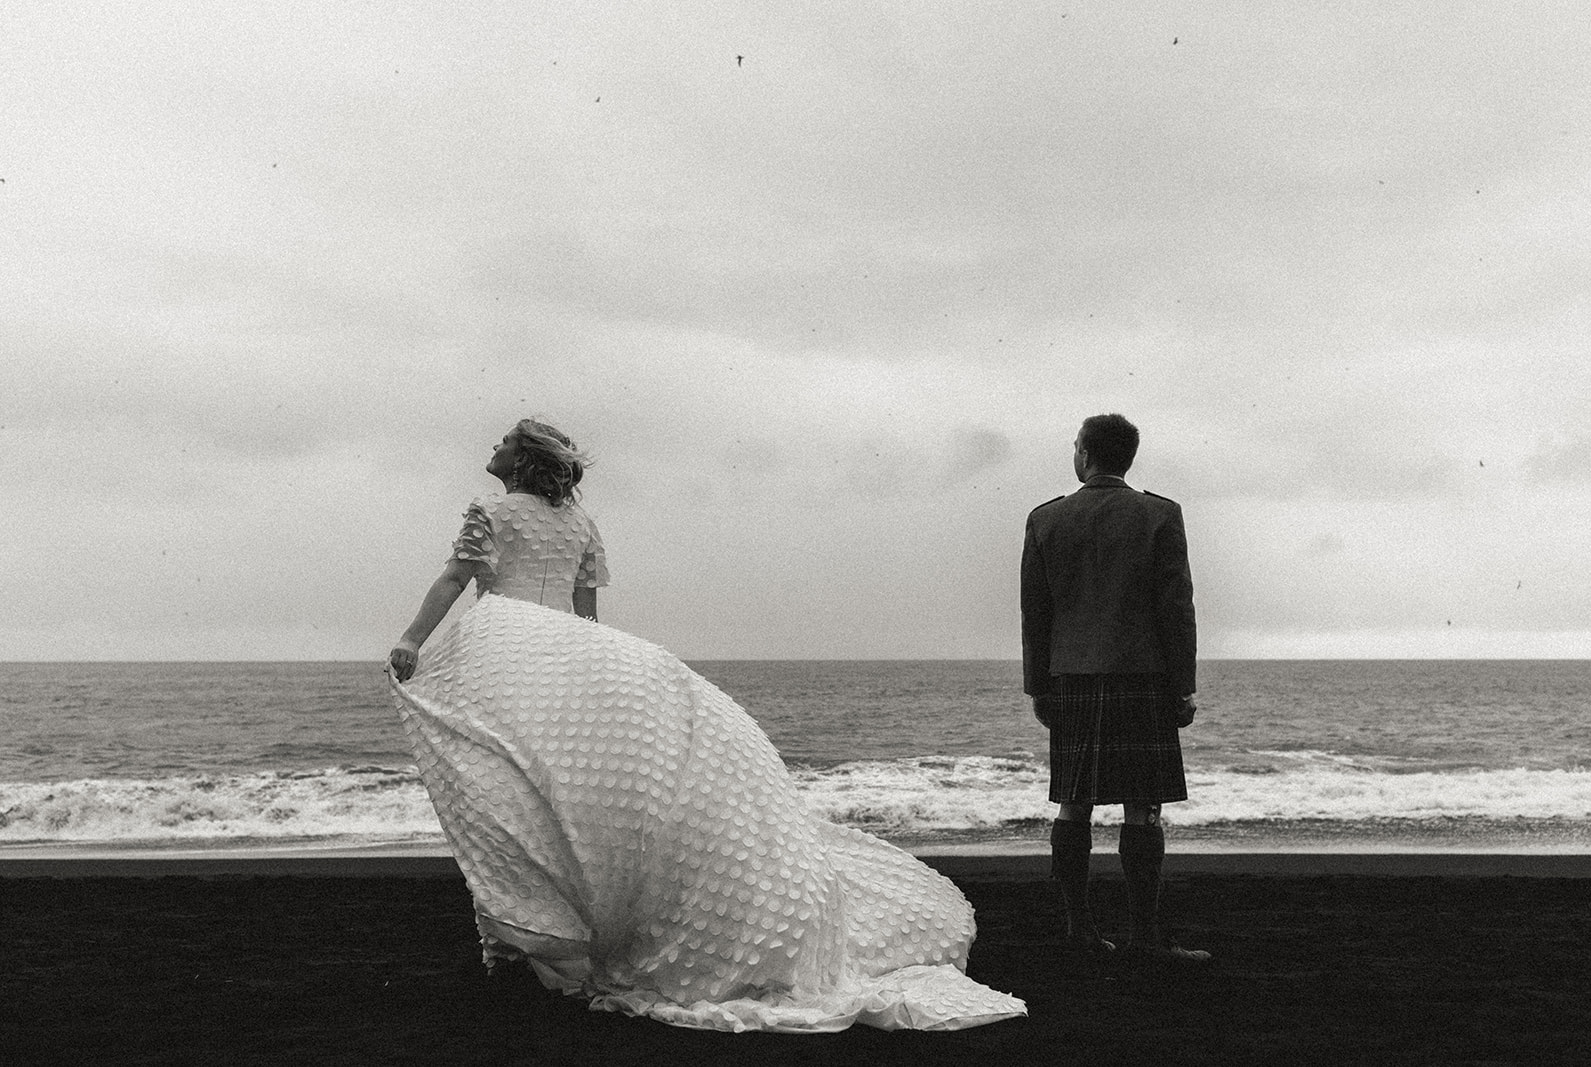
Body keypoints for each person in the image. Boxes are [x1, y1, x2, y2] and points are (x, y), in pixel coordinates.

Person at [388, 418, 1025, 1032]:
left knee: (508, 788)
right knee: (561, 794)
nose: (491, 449)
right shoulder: (580, 522)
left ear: (522, 460)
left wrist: (414, 641)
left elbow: (455, 578)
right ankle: (541, 936)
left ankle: (522, 941)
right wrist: (589, 680)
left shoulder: (491, 513)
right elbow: (586, 615)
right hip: (569, 660)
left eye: (502, 443)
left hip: (503, 654)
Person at [1020, 413, 1210, 964]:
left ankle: (1079, 932)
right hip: (1144, 677)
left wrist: (1038, 687)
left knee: (1073, 805)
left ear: (1085, 453)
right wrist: (1184, 686)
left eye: (1075, 446)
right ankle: (1145, 938)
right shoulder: (1160, 514)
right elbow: (1177, 609)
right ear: (1127, 458)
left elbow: (1036, 614)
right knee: (1143, 807)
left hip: (1072, 679)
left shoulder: (1045, 519)